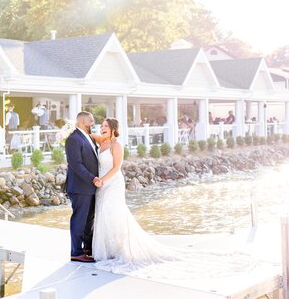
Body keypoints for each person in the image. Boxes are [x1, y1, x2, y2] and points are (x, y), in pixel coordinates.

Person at [90, 117, 258, 279]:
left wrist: (102, 180)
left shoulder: (116, 145)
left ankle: (120, 250)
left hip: (112, 183)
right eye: (102, 125)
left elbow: (117, 167)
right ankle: (108, 249)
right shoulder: (101, 141)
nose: (102, 127)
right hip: (102, 185)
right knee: (103, 214)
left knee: (114, 213)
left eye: (105, 125)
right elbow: (87, 134)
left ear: (113, 128)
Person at [65, 111, 101, 263]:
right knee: (79, 219)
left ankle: (87, 248)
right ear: (82, 122)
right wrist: (92, 178)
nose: (93, 123)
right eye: (91, 121)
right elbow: (76, 165)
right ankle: (76, 252)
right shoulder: (73, 139)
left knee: (89, 220)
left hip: (90, 187)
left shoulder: (89, 138)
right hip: (80, 187)